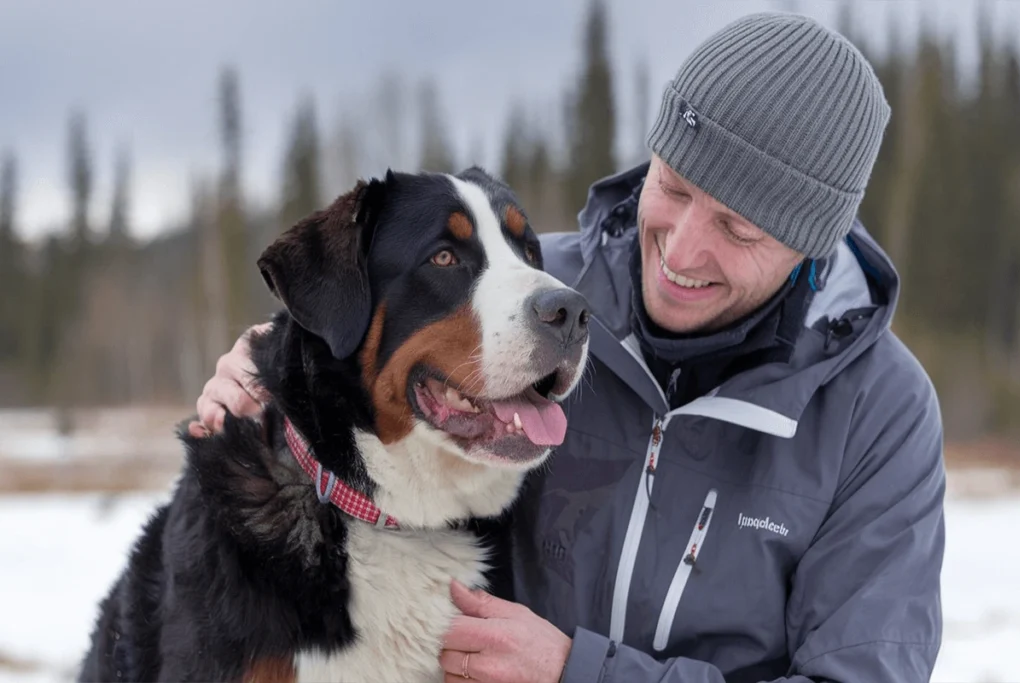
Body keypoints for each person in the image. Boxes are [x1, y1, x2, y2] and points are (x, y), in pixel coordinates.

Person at [190, 12, 945, 683]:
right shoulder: (538, 299)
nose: (682, 249)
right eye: (674, 188)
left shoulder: (879, 415)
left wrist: (578, 672)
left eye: (739, 230)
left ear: (809, 248)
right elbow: (353, 345)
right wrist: (257, 374)